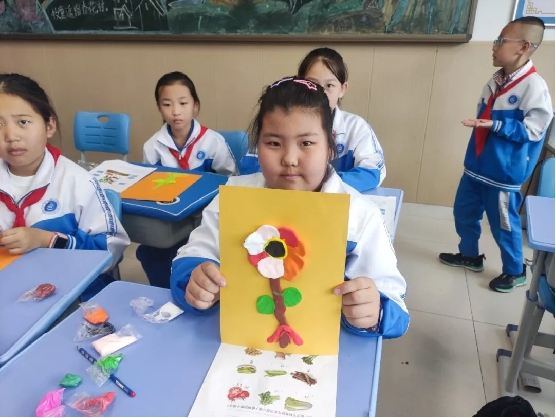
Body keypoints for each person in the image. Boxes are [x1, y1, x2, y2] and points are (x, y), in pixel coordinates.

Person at [170, 76, 409, 338]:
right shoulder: (233, 198)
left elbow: (396, 307)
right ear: (257, 147)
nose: (290, 159)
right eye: (273, 143)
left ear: (330, 147)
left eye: (306, 143)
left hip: (328, 347)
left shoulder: (360, 215)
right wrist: (194, 281)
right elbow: (192, 256)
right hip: (241, 339)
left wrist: (376, 312)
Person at [439, 17, 553, 293]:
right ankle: (470, 255)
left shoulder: (534, 87)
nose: (494, 46)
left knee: (504, 226)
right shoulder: (496, 80)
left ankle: (515, 271)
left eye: (501, 41)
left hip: (502, 175)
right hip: (476, 167)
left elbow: (535, 130)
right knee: (463, 214)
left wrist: (498, 125)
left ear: (523, 47)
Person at [0, 73, 130, 300]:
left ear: (49, 125)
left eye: (23, 122)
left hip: (70, 297)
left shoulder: (77, 182)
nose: (11, 135)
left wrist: (47, 240)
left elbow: (111, 250)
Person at [138, 71, 237, 289]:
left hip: (205, 218)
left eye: (183, 103)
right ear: (159, 108)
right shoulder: (152, 146)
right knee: (150, 252)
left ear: (195, 106)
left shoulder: (213, 142)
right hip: (169, 221)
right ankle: (165, 289)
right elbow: (149, 188)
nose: (176, 112)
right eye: (167, 104)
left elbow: (231, 181)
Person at [240, 48, 386, 193]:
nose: (322, 92)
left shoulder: (356, 127)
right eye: (313, 83)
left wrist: (325, 187)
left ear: (342, 89)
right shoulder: (275, 124)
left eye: (329, 85)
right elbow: (251, 167)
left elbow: (372, 171)